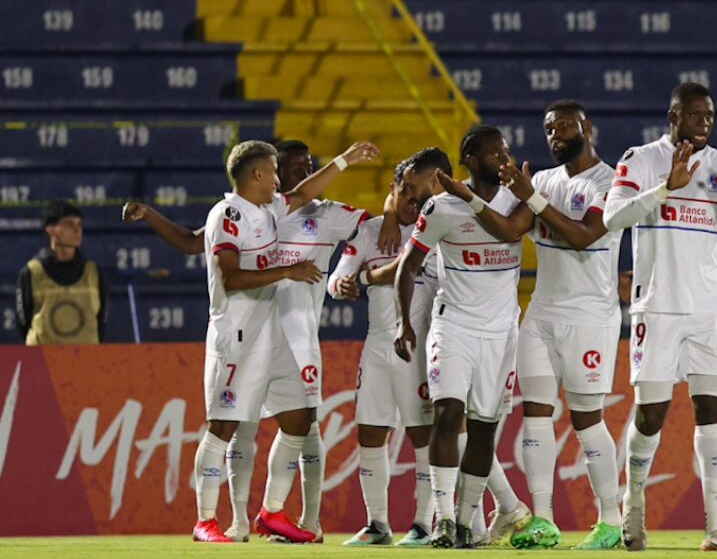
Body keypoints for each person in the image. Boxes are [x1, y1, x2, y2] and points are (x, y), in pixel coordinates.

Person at [123, 139, 378, 542]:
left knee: (299, 421)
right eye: (275, 170)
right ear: (258, 175)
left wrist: (347, 158)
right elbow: (230, 278)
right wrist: (287, 272)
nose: (280, 179)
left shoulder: (269, 209)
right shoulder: (228, 215)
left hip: (273, 338)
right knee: (224, 427)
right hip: (236, 338)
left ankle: (271, 512)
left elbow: (305, 192)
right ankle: (205, 520)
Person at [603, 82, 717, 552]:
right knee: (652, 415)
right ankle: (635, 504)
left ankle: (716, 530)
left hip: (708, 309)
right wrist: (665, 187)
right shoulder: (641, 159)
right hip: (658, 306)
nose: (704, 123)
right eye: (695, 115)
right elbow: (611, 218)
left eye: (709, 115)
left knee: (711, 413)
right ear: (673, 116)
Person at [438, 100, 623, 549]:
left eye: (564, 125)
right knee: (534, 415)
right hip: (541, 313)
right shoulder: (540, 179)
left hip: (589, 316)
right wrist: (471, 198)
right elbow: (508, 229)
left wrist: (531, 197)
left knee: (586, 418)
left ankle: (611, 520)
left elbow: (582, 237)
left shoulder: (610, 181)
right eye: (547, 128)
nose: (555, 134)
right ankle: (543, 520)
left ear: (587, 126)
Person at [392, 126, 524, 548]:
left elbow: (508, 231)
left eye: (505, 152)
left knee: (484, 429)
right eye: (493, 154)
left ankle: (467, 523)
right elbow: (408, 265)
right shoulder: (442, 207)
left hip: (501, 332)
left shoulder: (520, 197)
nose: (503, 160)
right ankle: (444, 519)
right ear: (469, 159)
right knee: (448, 414)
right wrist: (403, 322)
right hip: (455, 325)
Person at [326, 148, 453, 547]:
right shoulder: (368, 231)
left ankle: (422, 523)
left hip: (416, 342)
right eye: (406, 195)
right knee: (369, 432)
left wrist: (366, 276)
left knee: (421, 435)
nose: (412, 204)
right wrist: (342, 285)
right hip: (378, 342)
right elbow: (338, 278)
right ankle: (377, 524)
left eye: (418, 198)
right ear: (393, 190)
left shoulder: (436, 229)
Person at [16, 201, 107, 345]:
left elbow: (102, 320)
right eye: (70, 224)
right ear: (51, 230)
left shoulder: (94, 272)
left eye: (79, 225)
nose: (77, 230)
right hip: (43, 361)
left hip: (87, 360)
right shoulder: (31, 272)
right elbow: (23, 322)